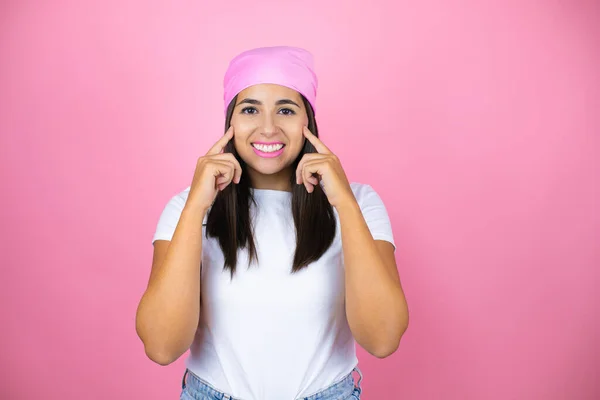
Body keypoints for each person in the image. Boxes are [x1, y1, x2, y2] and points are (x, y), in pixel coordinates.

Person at [136, 46, 409, 400]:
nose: (268, 128)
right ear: (230, 122)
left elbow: (383, 338)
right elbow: (161, 346)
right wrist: (195, 208)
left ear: (306, 122)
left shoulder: (360, 203)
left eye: (286, 109)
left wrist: (342, 201)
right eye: (250, 109)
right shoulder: (186, 208)